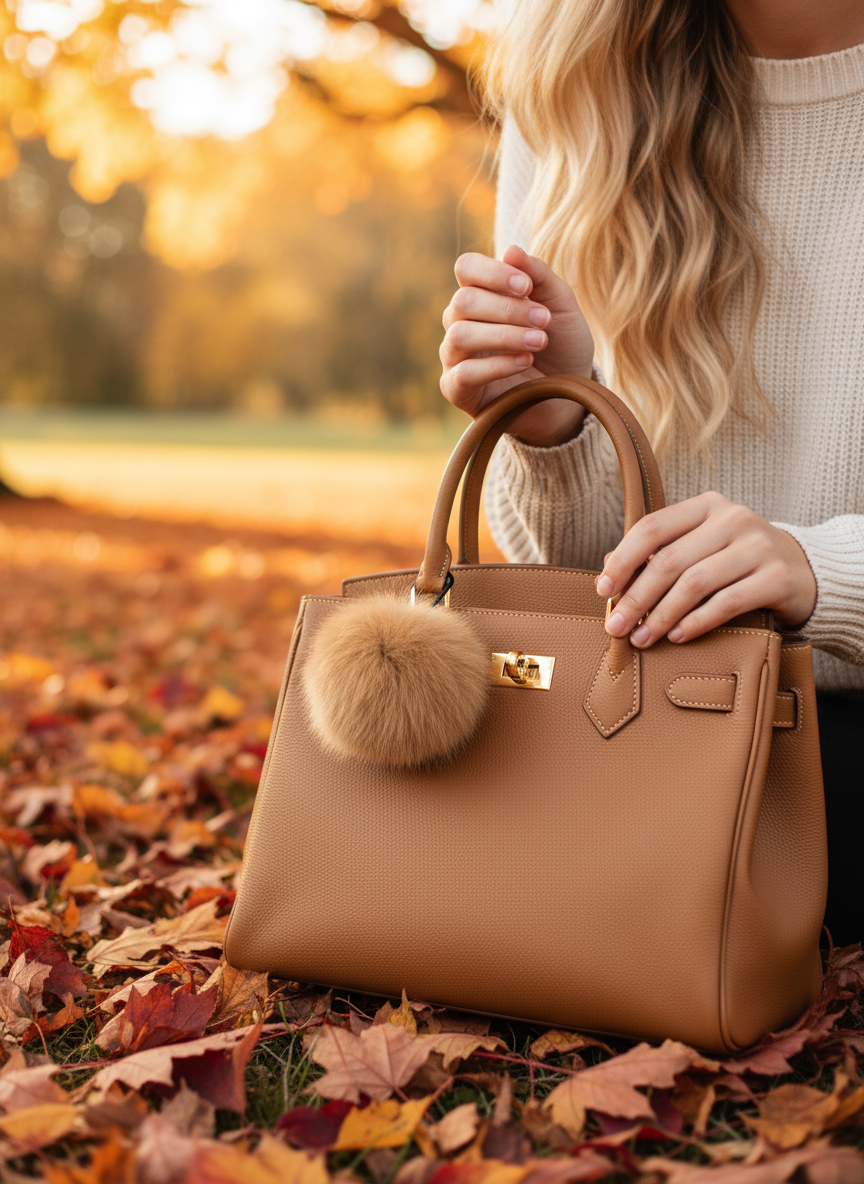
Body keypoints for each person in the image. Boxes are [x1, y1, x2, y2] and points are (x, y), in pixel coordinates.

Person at [439, 0, 864, 946]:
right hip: (648, 732)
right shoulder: (577, 84)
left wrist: (820, 571)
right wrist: (555, 423)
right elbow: (588, 583)